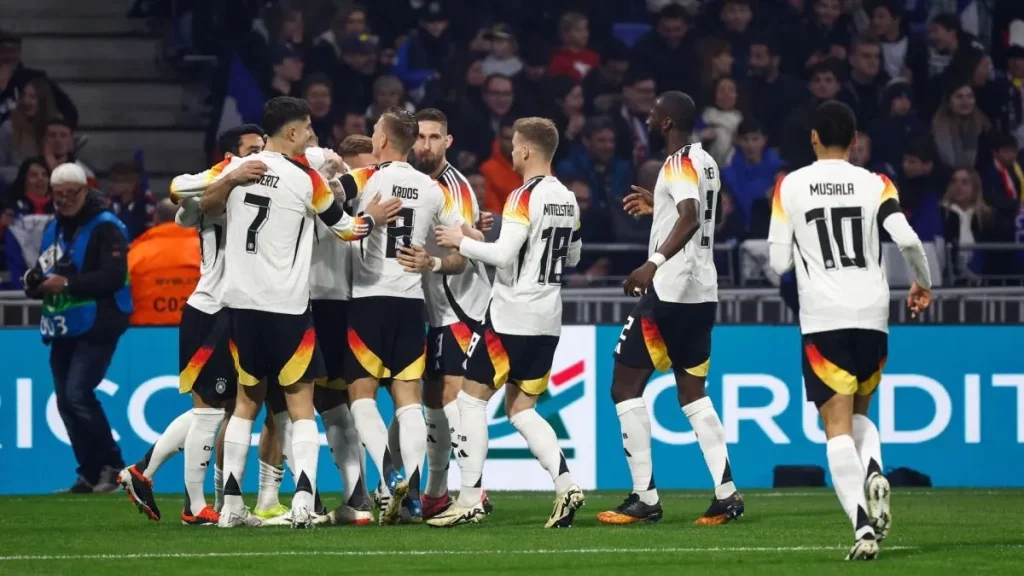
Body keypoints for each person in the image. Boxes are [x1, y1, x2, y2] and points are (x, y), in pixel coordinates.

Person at [208, 97, 399, 529]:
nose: (312, 133)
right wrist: (371, 216)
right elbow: (348, 229)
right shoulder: (304, 178)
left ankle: (231, 507)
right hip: (288, 308)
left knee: (244, 405)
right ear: (292, 133)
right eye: (308, 127)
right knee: (300, 407)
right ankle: (303, 500)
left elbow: (187, 193)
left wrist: (232, 176)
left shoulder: (238, 171)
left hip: (241, 305)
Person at [768, 100, 933, 560]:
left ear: (814, 138)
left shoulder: (791, 186)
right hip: (873, 314)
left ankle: (863, 528)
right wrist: (923, 282)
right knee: (861, 414)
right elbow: (908, 239)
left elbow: (778, 261)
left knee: (835, 428)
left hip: (824, 315)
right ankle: (876, 467)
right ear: (855, 141)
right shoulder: (876, 182)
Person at [117, 125, 290, 526]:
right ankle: (194, 505)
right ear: (230, 156)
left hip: (236, 310)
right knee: (210, 413)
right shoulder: (214, 184)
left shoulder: (258, 188)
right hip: (211, 311)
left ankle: (145, 471)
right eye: (250, 150)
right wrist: (228, 177)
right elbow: (181, 196)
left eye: (262, 149)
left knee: (227, 408)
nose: (259, 157)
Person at [433, 117, 585, 528]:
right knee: (522, 410)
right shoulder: (567, 198)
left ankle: (468, 500)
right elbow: (571, 256)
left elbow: (503, 258)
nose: (511, 151)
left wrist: (459, 241)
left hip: (510, 316)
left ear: (527, 151)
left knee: (469, 401)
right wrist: (480, 236)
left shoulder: (522, 195)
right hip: (547, 319)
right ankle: (565, 483)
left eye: (515, 145)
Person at [598, 91, 741, 527]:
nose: (647, 114)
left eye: (654, 111)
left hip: (669, 292)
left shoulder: (677, 162)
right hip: (701, 291)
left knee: (624, 387)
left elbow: (691, 215)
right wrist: (656, 207)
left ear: (666, 124)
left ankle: (645, 498)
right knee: (692, 394)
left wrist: (651, 263)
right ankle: (727, 494)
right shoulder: (707, 161)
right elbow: (690, 213)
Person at [339, 107, 465, 525]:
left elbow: (323, 202)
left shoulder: (368, 178)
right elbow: (460, 253)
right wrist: (431, 261)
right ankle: (410, 497)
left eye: (374, 130)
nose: (372, 136)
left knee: (360, 397)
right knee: (408, 402)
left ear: (383, 140)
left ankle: (388, 471)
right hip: (412, 304)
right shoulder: (433, 190)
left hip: (369, 299)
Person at [401, 108, 493, 521]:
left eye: (434, 137)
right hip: (431, 308)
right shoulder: (409, 180)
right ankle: (436, 493)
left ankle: (473, 491)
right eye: (420, 137)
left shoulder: (452, 190)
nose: (425, 144)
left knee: (455, 400)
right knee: (433, 400)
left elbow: (460, 257)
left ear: (447, 142)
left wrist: (432, 264)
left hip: (460, 307)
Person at [22, 162, 132, 493]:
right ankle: (89, 470)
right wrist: (35, 282)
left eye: (71, 194)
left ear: (86, 190)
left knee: (77, 394)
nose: (65, 201)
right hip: (64, 323)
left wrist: (66, 283)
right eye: (59, 196)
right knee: (66, 401)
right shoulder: (55, 226)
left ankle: (113, 467)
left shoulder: (107, 227)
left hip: (100, 320)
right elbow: (46, 267)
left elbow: (112, 277)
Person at [303, 136, 376, 527]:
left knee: (327, 403)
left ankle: (348, 499)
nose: (365, 177)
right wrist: (330, 164)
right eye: (358, 169)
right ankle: (317, 495)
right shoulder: (316, 175)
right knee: (312, 404)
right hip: (312, 298)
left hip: (337, 302)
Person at [126, 198, 200, 326]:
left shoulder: (135, 255)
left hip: (144, 335)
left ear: (155, 219)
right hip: (201, 333)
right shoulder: (211, 251)